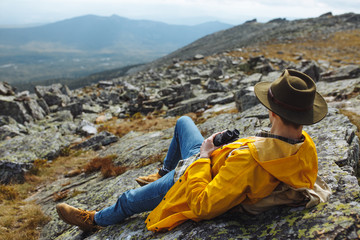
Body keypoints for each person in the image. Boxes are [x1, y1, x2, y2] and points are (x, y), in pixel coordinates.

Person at [56, 69, 331, 233]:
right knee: (183, 122)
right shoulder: (304, 144)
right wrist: (214, 150)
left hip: (191, 176)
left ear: (273, 111)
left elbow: (202, 205)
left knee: (128, 200)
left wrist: (202, 157)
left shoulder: (250, 161)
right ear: (304, 118)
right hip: (209, 162)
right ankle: (163, 172)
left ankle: (94, 220)